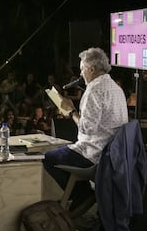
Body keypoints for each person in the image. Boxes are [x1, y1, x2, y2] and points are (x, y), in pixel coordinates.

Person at [43, 47, 128, 209]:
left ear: (92, 69)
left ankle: (81, 196)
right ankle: (84, 195)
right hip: (112, 152)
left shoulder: (93, 91)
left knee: (48, 158)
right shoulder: (116, 88)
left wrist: (70, 111)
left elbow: (86, 129)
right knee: (63, 150)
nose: (81, 74)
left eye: (82, 69)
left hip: (94, 154)